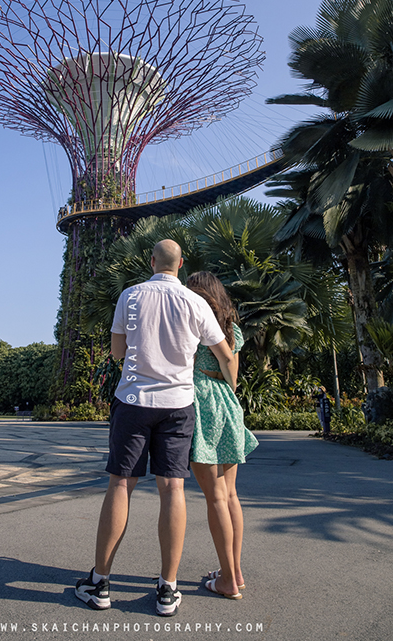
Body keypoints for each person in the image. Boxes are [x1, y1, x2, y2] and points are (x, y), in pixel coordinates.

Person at [75, 240, 238, 617]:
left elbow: (118, 352)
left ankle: (99, 583)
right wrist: (231, 390)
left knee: (120, 484)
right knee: (173, 488)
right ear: (181, 264)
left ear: (151, 261)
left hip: (133, 402)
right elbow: (225, 354)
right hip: (178, 405)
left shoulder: (130, 296)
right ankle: (168, 588)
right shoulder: (197, 303)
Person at [187, 271, 258, 600]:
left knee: (215, 497)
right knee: (230, 495)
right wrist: (223, 395)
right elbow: (233, 374)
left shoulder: (194, 326)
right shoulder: (233, 330)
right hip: (228, 403)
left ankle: (228, 580)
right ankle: (235, 569)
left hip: (200, 401)